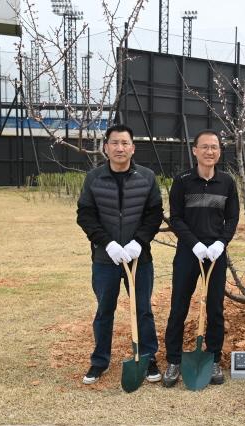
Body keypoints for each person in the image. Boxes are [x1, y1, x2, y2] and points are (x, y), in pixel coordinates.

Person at [77, 124, 164, 385]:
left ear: (132, 148)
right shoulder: (94, 178)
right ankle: (99, 361)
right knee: (105, 310)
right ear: (106, 147)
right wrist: (108, 244)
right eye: (114, 143)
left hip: (140, 258)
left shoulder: (147, 177)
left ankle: (148, 358)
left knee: (143, 309)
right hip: (106, 259)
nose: (120, 148)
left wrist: (139, 242)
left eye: (125, 143)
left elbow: (154, 214)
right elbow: (86, 215)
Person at [162, 129, 240, 387]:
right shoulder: (183, 180)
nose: (210, 151)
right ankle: (173, 360)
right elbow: (176, 218)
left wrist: (221, 242)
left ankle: (214, 358)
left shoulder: (227, 182)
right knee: (179, 306)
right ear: (195, 150)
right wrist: (193, 243)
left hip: (216, 253)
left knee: (215, 307)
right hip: (188, 252)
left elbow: (232, 218)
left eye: (214, 147)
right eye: (204, 147)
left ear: (219, 151)